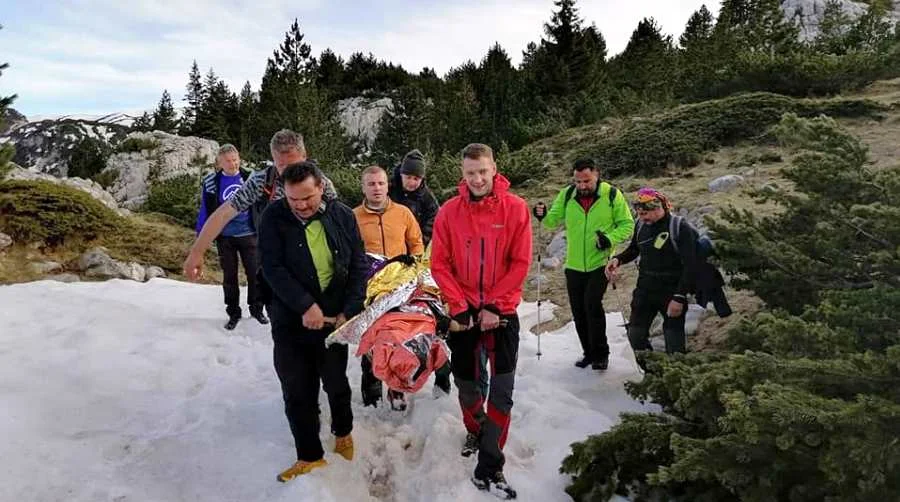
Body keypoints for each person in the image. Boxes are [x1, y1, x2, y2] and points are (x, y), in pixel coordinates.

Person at [431, 143, 531, 500]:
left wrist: (497, 307)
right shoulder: (448, 212)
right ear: (463, 173)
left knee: (501, 393)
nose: (476, 179)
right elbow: (439, 263)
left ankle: (490, 466)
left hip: (501, 315)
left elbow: (520, 263)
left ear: (494, 169)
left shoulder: (516, 209)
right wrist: (460, 305)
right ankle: (477, 429)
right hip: (464, 315)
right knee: (468, 386)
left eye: (482, 172)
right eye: (470, 173)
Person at [257, 161, 368, 482]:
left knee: (335, 381)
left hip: (333, 317)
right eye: (294, 200)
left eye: (307, 198)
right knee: (296, 388)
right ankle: (309, 455)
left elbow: (358, 264)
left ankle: (343, 432)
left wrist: (350, 308)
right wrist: (304, 305)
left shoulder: (342, 215)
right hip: (290, 320)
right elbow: (272, 268)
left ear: (321, 187)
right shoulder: (273, 218)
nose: (301, 206)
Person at [182, 129, 337, 282]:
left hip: (318, 263)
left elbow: (339, 221)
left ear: (304, 156)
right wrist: (197, 252)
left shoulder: (322, 183)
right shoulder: (261, 182)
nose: (291, 173)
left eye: (294, 164)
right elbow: (223, 213)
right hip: (277, 262)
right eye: (282, 166)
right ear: (274, 159)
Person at [535, 158, 634, 370]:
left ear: (597, 174)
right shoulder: (568, 194)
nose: (582, 186)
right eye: (578, 181)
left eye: (586, 181)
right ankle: (588, 353)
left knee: (592, 305)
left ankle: (601, 355)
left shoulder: (611, 195)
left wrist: (609, 238)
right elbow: (553, 220)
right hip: (573, 265)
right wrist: (541, 214)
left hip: (601, 263)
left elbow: (627, 225)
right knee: (579, 311)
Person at [352, 165, 425, 410]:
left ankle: (396, 388)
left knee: (397, 339)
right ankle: (371, 393)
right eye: (371, 184)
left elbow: (416, 244)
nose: (377, 188)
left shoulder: (403, 213)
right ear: (363, 187)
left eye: (381, 183)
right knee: (371, 340)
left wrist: (413, 269)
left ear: (387, 185)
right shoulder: (353, 217)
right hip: (369, 291)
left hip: (399, 289)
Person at [605, 188, 696, 367]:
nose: (642, 218)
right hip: (645, 288)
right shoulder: (641, 225)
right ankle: (652, 374)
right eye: (639, 213)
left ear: (659, 208)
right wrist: (618, 259)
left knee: (674, 341)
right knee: (635, 336)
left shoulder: (679, 227)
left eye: (645, 213)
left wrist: (679, 297)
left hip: (672, 290)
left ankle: (677, 380)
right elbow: (635, 249)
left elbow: (691, 265)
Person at [195, 144, 268, 330]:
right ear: (219, 162)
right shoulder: (211, 181)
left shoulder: (250, 177)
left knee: (255, 273)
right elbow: (206, 210)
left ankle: (257, 309)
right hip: (225, 237)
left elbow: (262, 205)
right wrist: (200, 238)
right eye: (228, 161)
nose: (233, 164)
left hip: (250, 233)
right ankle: (233, 312)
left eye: (235, 159)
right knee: (230, 276)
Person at [388, 149, 439, 246]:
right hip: (391, 244)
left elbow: (434, 219)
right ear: (401, 174)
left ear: (422, 179)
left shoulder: (426, 197)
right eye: (408, 177)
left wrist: (421, 241)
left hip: (416, 245)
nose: (411, 182)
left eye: (416, 179)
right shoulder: (388, 190)